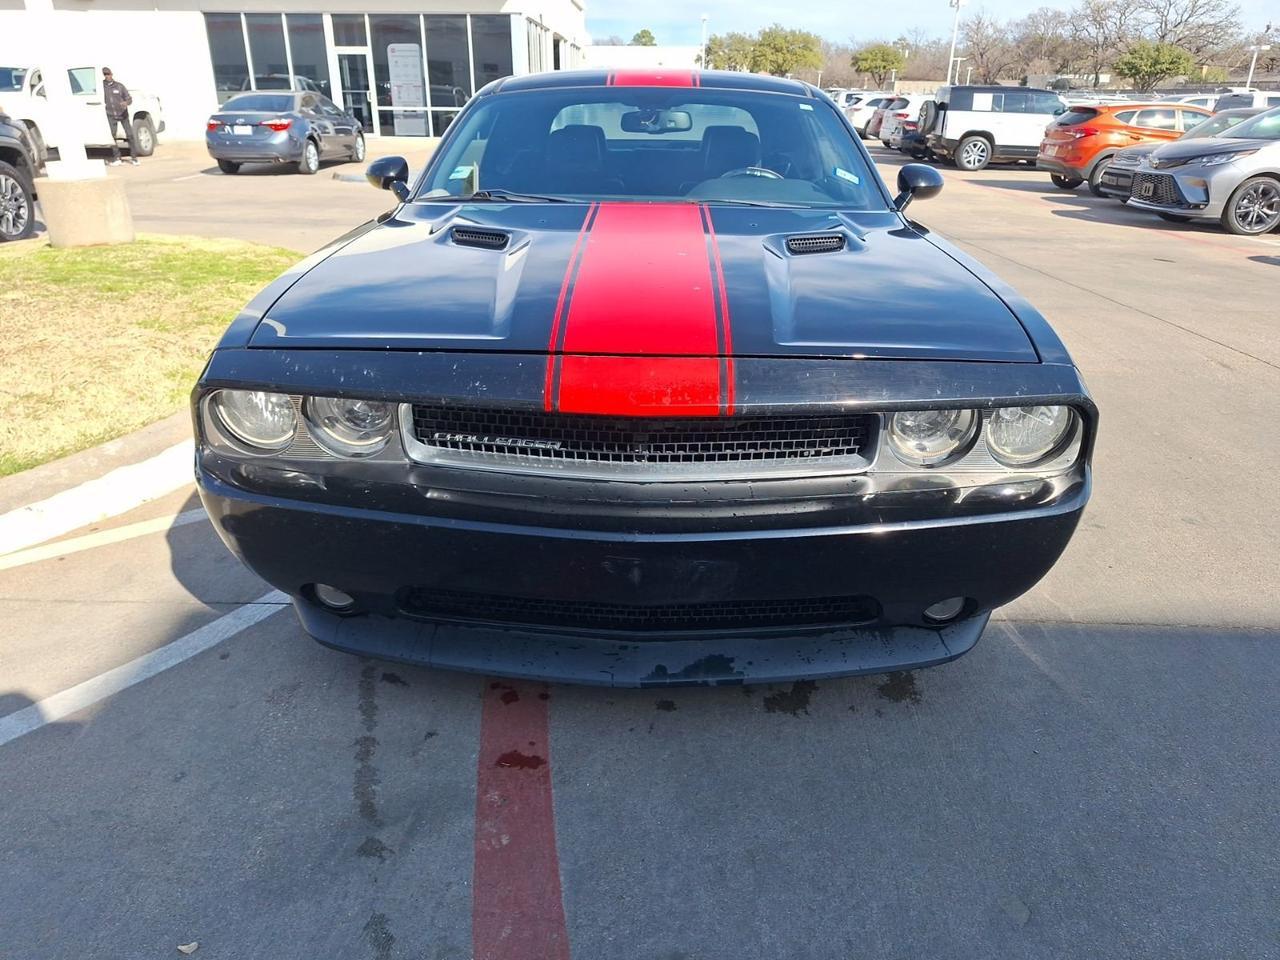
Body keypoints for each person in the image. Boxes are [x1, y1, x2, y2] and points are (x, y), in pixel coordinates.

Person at [102, 67, 139, 166]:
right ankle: (117, 157)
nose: (107, 76)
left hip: (122, 114)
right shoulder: (102, 87)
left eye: (108, 74)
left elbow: (129, 98)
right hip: (110, 114)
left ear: (112, 74)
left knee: (130, 135)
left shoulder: (119, 86)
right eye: (105, 74)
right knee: (112, 136)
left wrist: (126, 103)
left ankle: (134, 157)